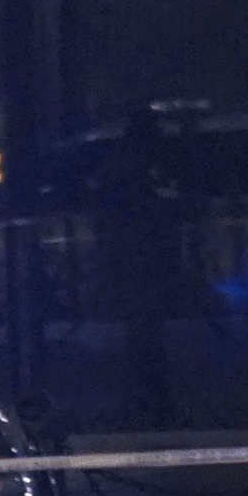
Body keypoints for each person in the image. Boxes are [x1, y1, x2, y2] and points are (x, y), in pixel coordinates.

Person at [91, 106, 188, 428]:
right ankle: (154, 405)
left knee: (141, 339)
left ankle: (143, 405)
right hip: (145, 265)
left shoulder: (119, 168)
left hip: (133, 266)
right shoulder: (146, 171)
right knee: (147, 339)